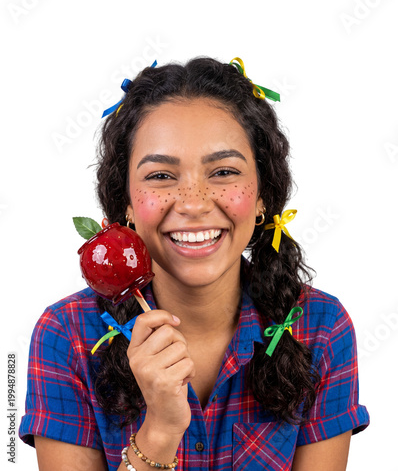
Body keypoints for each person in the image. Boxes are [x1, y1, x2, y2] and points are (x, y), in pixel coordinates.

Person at [19, 56, 370, 471]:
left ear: (261, 196)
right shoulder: (67, 335)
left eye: (223, 171)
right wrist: (161, 431)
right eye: (161, 177)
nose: (193, 203)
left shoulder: (321, 328)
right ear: (127, 204)